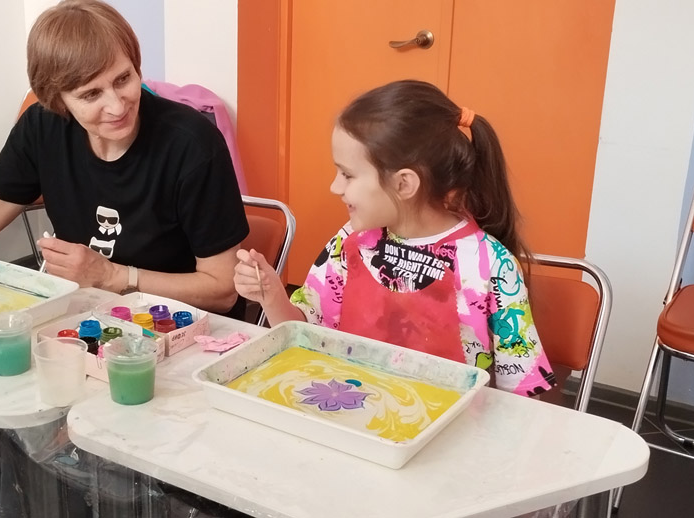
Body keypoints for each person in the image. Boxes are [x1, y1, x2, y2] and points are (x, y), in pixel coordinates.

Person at [0, 0, 248, 316]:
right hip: (90, 315)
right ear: (56, 99)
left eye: (123, 79)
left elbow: (222, 290)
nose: (117, 106)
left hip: (183, 326)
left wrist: (114, 276)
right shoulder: (43, 127)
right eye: (91, 94)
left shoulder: (191, 145)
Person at [235, 80, 556, 397]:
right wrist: (271, 296)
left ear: (404, 184)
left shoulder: (491, 266)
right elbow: (303, 334)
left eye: (347, 174)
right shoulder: (349, 243)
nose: (335, 187)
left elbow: (521, 395)